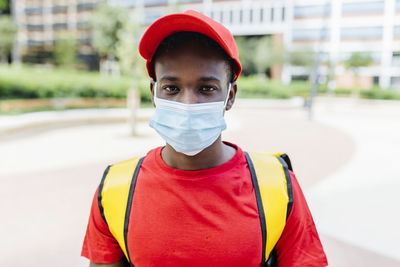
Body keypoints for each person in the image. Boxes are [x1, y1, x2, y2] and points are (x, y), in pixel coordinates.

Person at [82, 10, 328, 267]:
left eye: (207, 88)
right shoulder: (116, 189)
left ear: (230, 96)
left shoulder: (276, 185)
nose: (188, 103)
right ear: (154, 93)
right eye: (172, 88)